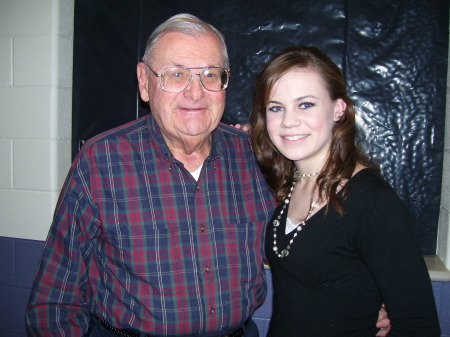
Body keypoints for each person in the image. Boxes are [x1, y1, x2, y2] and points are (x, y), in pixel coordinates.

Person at [25, 13, 392, 337]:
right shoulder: (100, 163)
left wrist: (368, 295)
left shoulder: (257, 157)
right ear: (144, 82)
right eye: (177, 74)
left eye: (210, 75)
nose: (196, 92)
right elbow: (55, 300)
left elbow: (312, 240)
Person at [250, 45, 441, 336]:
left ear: (338, 108)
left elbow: (419, 326)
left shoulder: (372, 203)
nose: (288, 121)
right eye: (276, 108)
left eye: (305, 104)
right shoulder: (289, 183)